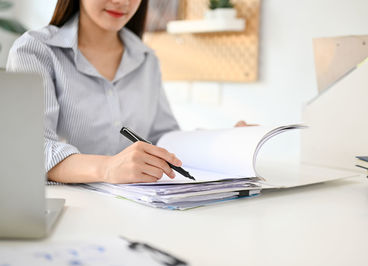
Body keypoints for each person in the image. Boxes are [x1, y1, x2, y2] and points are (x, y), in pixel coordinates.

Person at [7, 0, 251, 184]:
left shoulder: (147, 59)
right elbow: (30, 149)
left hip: (137, 209)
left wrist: (225, 141)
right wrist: (107, 168)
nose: (123, 2)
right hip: (71, 210)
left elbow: (162, 137)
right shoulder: (35, 50)